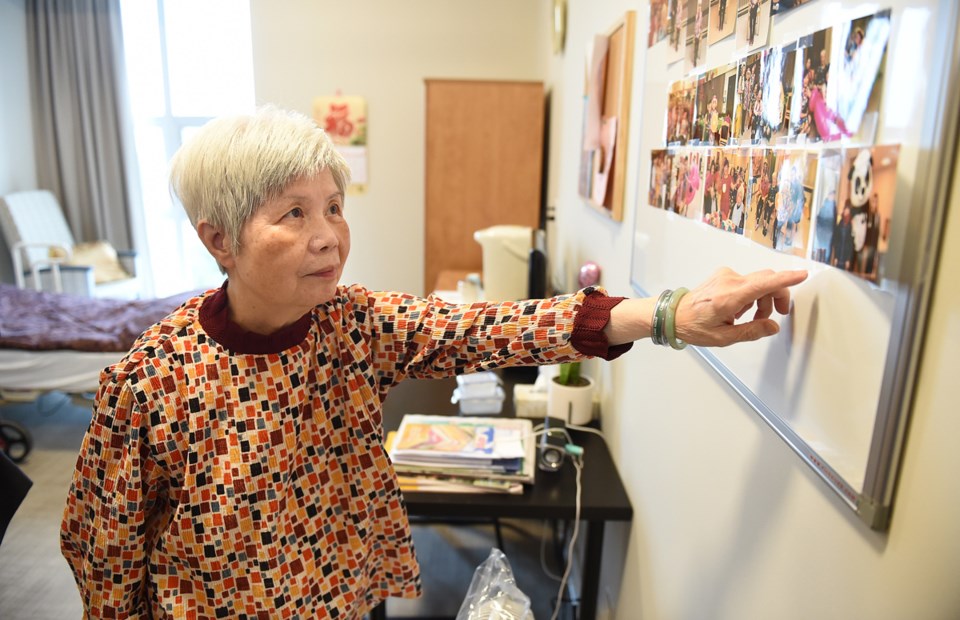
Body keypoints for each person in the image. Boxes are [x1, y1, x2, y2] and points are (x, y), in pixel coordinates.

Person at [59, 106, 806, 618]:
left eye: (334, 206)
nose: (329, 237)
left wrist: (671, 315)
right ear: (219, 240)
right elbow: (103, 552)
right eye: (294, 213)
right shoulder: (152, 383)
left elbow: (490, 328)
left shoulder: (351, 327)